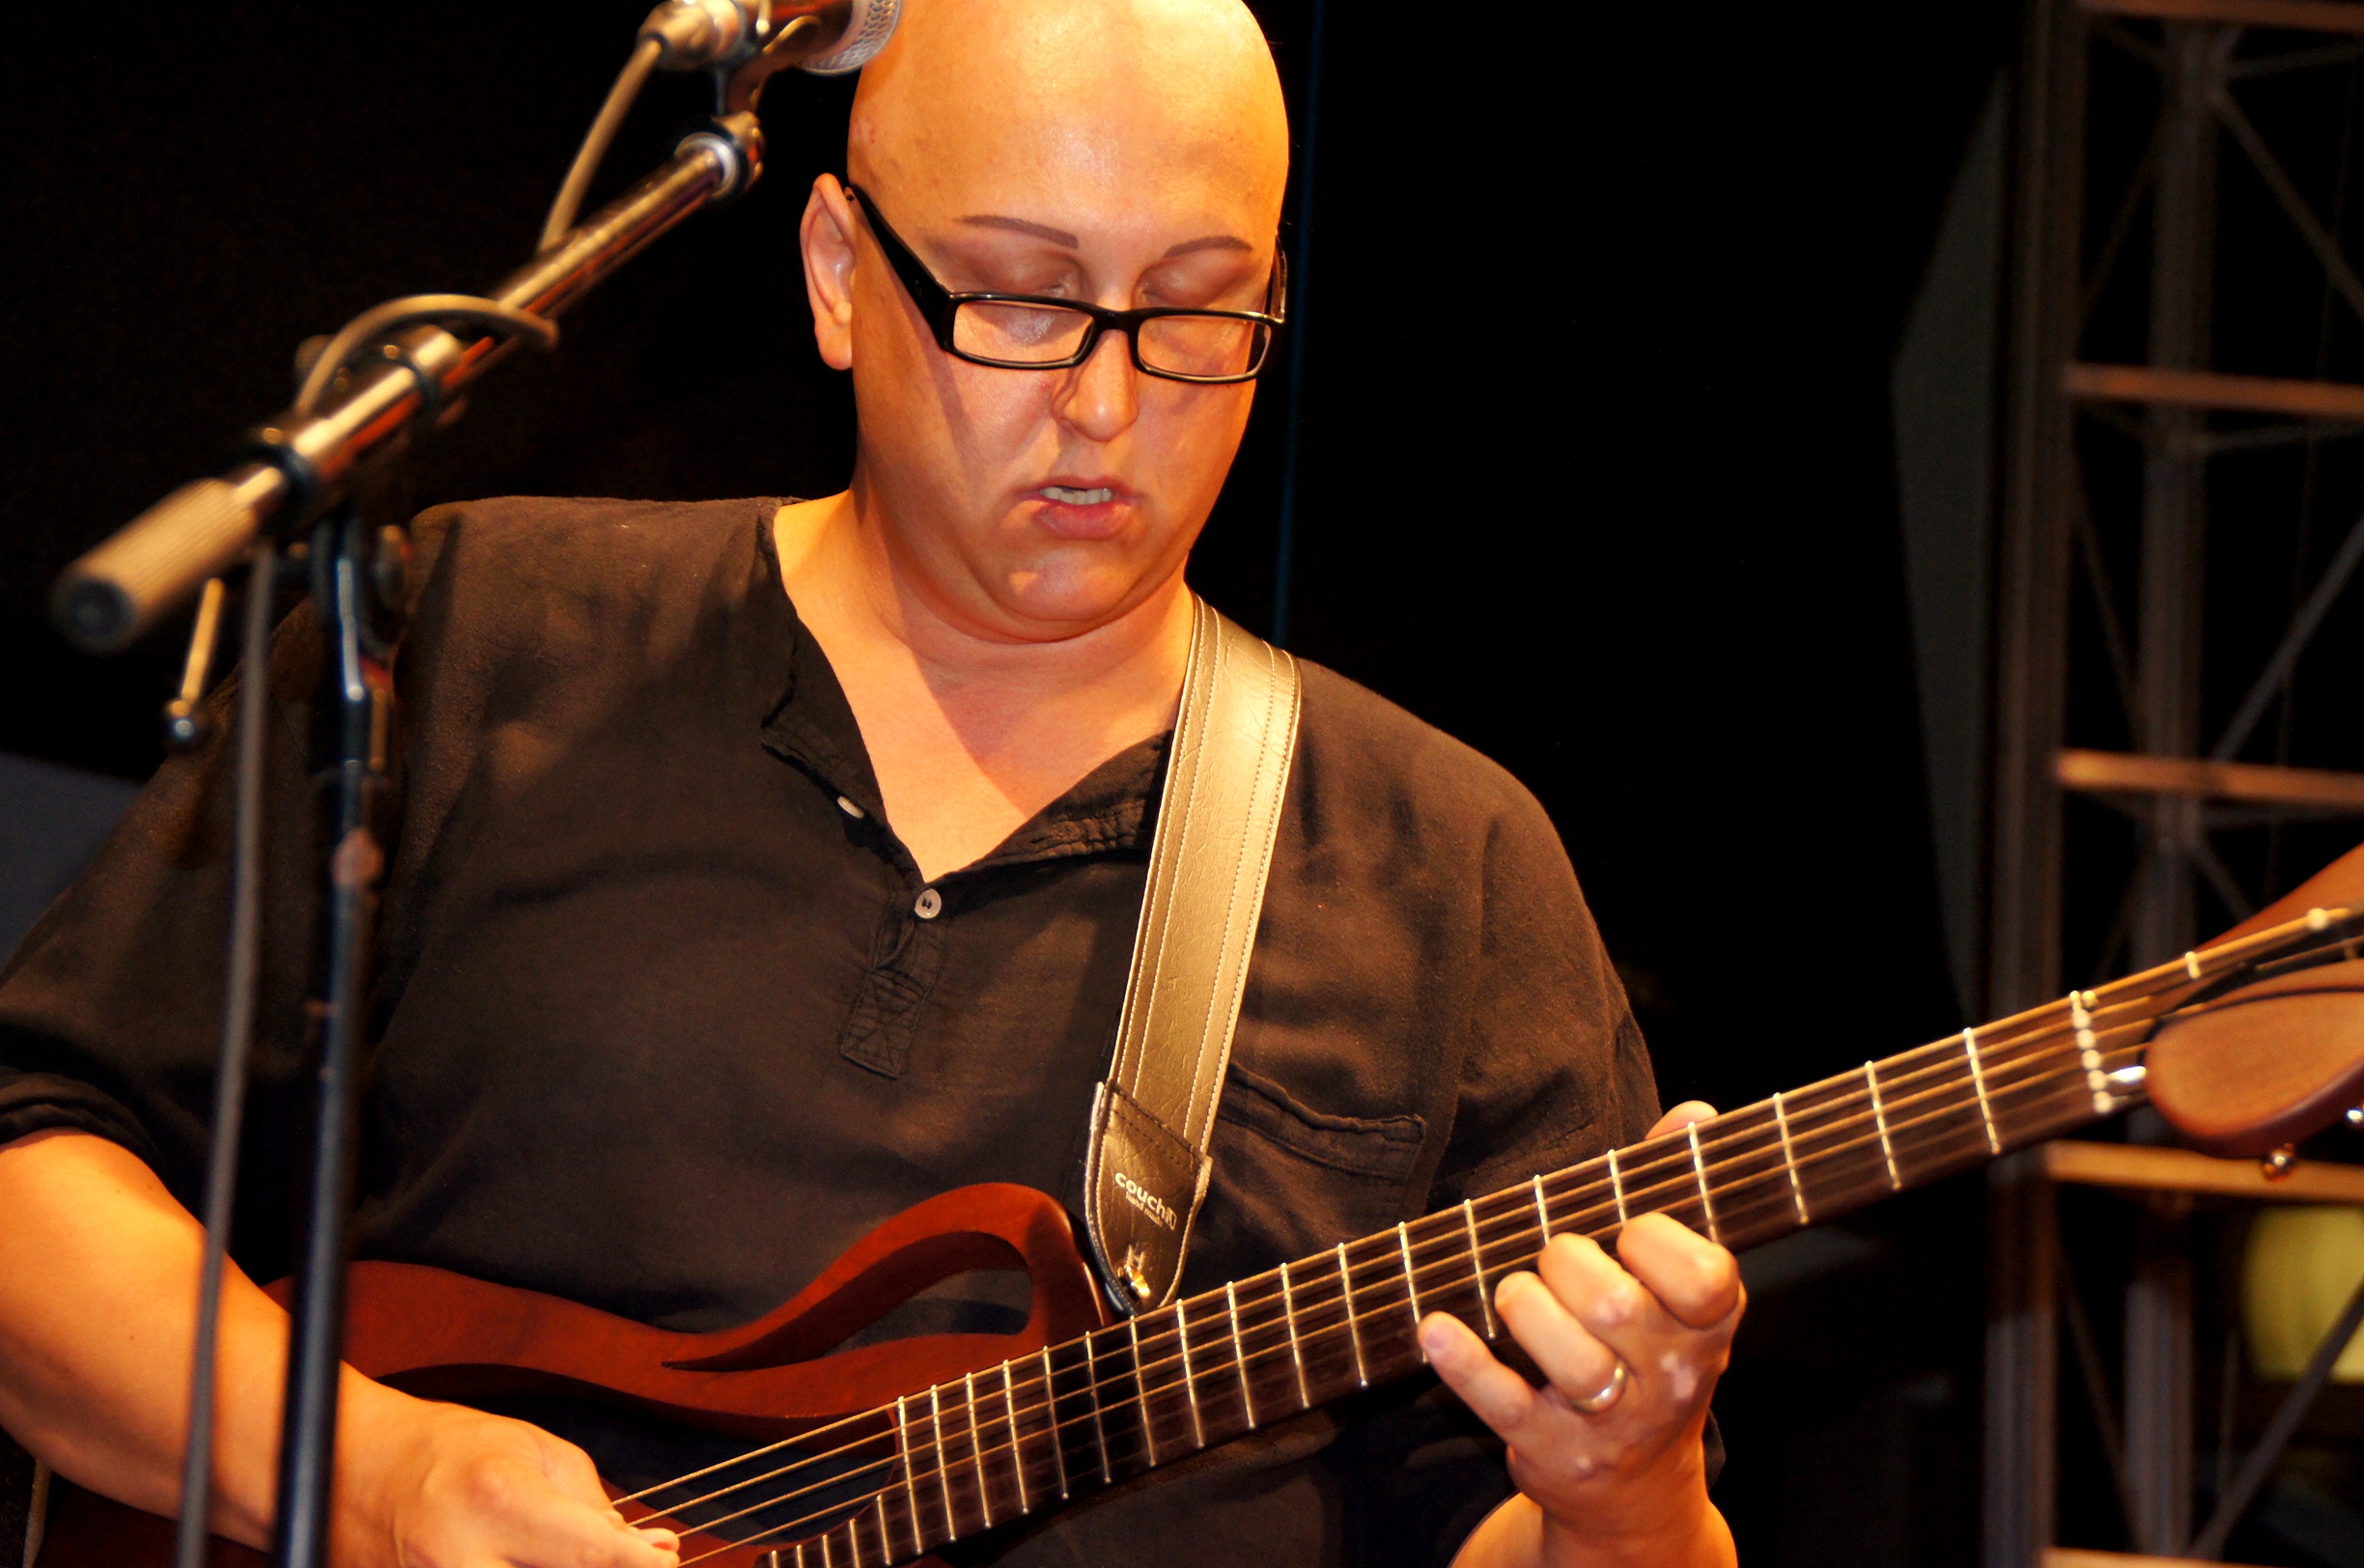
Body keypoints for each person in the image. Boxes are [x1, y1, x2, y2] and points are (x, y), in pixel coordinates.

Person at [0, 0, 1743, 1562]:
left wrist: (1629, 1494)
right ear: (840, 272)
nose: (1105, 403)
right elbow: (31, 1171)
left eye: (1197, 309)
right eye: (1024, 299)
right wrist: (377, 1481)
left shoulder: (1449, 865)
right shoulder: (483, 632)